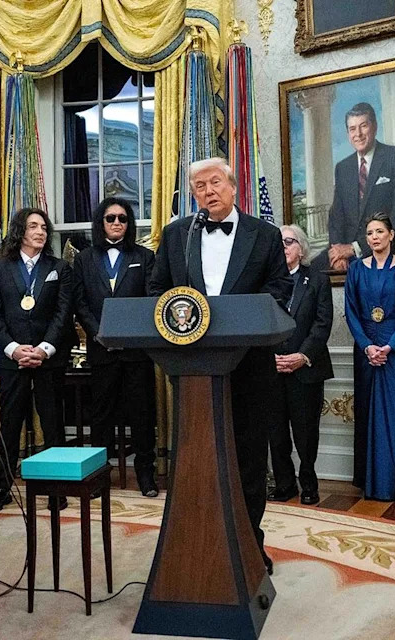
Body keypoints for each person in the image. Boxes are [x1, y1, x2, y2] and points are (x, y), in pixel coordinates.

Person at [149, 156, 293, 575]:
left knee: (247, 458)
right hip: (193, 368)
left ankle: (250, 545)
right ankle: (196, 542)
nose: (208, 191)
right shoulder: (178, 235)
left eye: (215, 182)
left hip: (250, 366)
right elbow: (158, 287)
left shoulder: (264, 234)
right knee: (197, 459)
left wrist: (236, 317)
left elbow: (280, 288)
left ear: (233, 187)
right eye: (199, 186)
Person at [0, 208, 73, 515]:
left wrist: (44, 349)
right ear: (20, 231)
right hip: (14, 361)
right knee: (10, 425)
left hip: (48, 360)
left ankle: (56, 488)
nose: (41, 231)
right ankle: (3, 486)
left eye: (44, 227)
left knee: (53, 425)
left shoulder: (59, 267)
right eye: (33, 226)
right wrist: (14, 349)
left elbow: (64, 314)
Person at [73, 197, 158, 498]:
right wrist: (98, 333)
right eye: (111, 218)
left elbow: (152, 299)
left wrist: (130, 333)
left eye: (123, 218)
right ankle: (99, 476)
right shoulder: (84, 259)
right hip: (101, 349)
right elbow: (80, 302)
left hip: (137, 352)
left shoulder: (145, 257)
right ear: (101, 222)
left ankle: (146, 475)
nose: (117, 223)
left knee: (142, 413)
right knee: (101, 416)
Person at [344, 212, 395, 500]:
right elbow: (351, 313)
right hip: (366, 350)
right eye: (369, 233)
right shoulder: (355, 269)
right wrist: (367, 346)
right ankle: (372, 482)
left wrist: (391, 346)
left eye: (379, 231)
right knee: (368, 413)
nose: (374, 237)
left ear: (391, 235)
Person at [268, 224, 334, 506]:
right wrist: (270, 357)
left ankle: (308, 483)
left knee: (306, 434)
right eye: (279, 242)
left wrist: (301, 356)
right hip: (272, 369)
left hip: (306, 369)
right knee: (277, 433)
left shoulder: (318, 280)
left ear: (302, 248)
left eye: (289, 241)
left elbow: (322, 324)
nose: (283, 247)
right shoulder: (266, 284)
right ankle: (284, 484)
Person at [325, 103, 395, 271]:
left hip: (389, 255)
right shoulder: (342, 167)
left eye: (363, 126)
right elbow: (336, 216)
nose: (358, 134)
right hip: (350, 259)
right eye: (352, 129)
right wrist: (337, 252)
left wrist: (354, 249)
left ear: (374, 127)